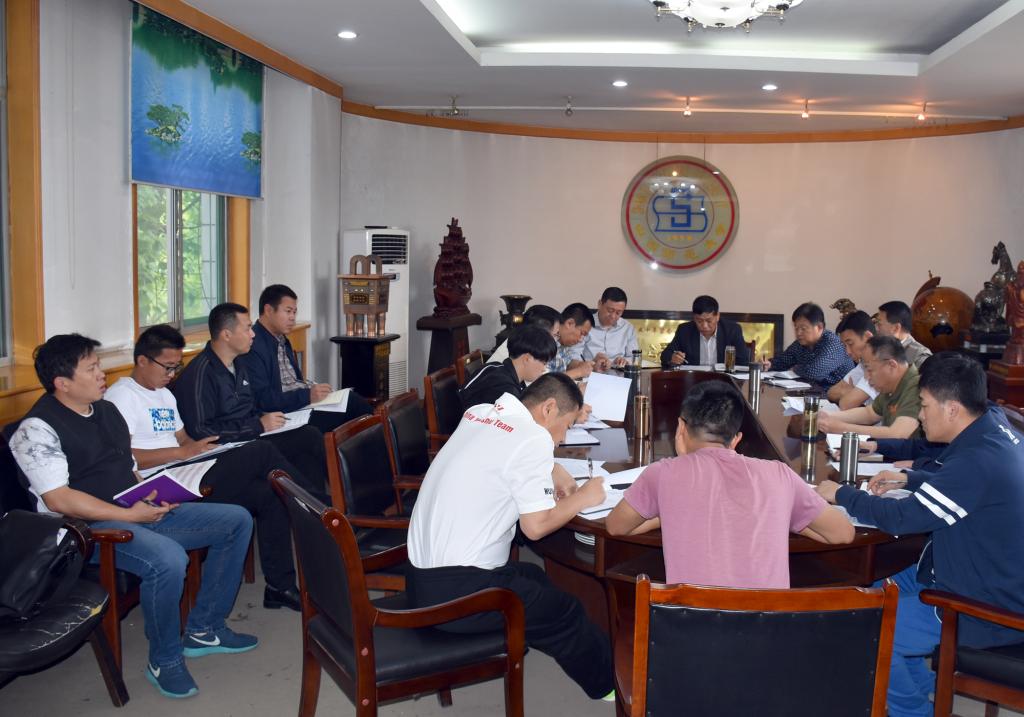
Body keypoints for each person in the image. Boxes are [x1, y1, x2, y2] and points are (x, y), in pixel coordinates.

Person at [9, 334, 256, 699]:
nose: (102, 374)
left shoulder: (106, 411)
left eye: (99, 365)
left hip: (133, 509)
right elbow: (59, 499)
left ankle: (205, 629)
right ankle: (164, 660)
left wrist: (155, 497)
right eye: (91, 368)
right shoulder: (36, 430)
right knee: (168, 559)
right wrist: (130, 516)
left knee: (236, 521)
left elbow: (128, 469)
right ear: (62, 383)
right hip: (87, 532)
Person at [816, 352, 1024, 717]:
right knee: (872, 593)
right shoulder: (992, 425)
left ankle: (912, 711)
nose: (921, 416)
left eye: (925, 405)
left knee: (871, 627)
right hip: (966, 571)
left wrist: (842, 494)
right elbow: (964, 488)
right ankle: (923, 690)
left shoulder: (976, 460)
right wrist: (912, 478)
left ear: (952, 409)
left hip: (984, 605)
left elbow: (900, 519)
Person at [407, 373, 614, 701]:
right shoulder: (533, 439)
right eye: (567, 425)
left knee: (534, 577)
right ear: (548, 408)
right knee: (566, 610)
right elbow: (536, 527)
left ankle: (572, 643)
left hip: (421, 579)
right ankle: (613, 686)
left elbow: (500, 456)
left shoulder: (481, 413)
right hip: (457, 596)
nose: (561, 438)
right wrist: (584, 497)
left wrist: (552, 467)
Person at [105, 324, 308, 611]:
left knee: (268, 492)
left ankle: (280, 587)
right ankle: (319, 508)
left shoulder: (163, 393)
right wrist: (182, 452)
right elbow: (124, 457)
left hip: (186, 471)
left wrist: (201, 448)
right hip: (156, 487)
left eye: (176, 367)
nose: (172, 375)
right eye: (167, 367)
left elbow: (182, 438)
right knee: (260, 451)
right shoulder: (122, 396)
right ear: (142, 361)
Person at [605, 380, 853, 587]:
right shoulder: (780, 475)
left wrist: (667, 511)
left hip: (689, 626)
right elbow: (843, 533)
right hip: (768, 627)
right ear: (736, 439)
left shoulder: (662, 474)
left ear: (680, 427)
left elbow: (616, 526)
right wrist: (785, 515)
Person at [172, 303, 329, 500]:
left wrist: (266, 419)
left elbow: (249, 406)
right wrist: (258, 425)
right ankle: (322, 506)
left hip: (250, 436)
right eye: (247, 328)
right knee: (265, 451)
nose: (253, 334)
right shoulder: (201, 373)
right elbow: (203, 431)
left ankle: (324, 507)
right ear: (227, 334)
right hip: (224, 450)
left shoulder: (239, 362)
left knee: (308, 436)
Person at [238, 284, 373, 432]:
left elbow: (294, 381)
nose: (292, 318)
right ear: (269, 310)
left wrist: (316, 390)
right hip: (282, 415)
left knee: (350, 400)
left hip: (300, 404)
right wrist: (308, 395)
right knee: (353, 404)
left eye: (294, 312)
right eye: (288, 311)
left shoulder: (281, 339)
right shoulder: (253, 345)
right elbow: (263, 399)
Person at [817, 336, 921, 439]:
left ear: (891, 365)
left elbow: (897, 434)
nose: (867, 377)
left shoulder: (916, 386)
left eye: (870, 370)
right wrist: (827, 416)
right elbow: (870, 413)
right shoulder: (891, 385)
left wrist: (843, 429)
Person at [459, 325, 556, 408]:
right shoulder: (506, 391)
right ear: (527, 359)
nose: (544, 369)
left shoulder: (494, 366)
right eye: (544, 363)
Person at [766, 302, 854, 388]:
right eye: (796, 328)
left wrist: (795, 368)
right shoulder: (800, 344)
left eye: (803, 328)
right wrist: (770, 364)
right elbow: (783, 360)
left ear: (819, 327)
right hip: (814, 392)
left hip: (840, 394)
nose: (798, 333)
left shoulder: (833, 343)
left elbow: (814, 373)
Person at [659, 295, 750, 368]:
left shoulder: (732, 330)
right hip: (694, 381)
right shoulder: (685, 330)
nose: (704, 326)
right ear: (694, 318)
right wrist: (672, 358)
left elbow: (743, 361)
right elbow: (665, 355)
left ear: (717, 316)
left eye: (709, 321)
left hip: (724, 381)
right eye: (699, 321)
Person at [574, 286, 639, 370]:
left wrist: (624, 361)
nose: (613, 316)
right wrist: (592, 363)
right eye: (610, 310)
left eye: (618, 313)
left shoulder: (627, 328)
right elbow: (573, 356)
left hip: (618, 374)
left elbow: (634, 357)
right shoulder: (585, 325)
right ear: (600, 304)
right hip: (589, 373)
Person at [827, 310, 879, 409]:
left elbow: (846, 403)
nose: (848, 352)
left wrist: (850, 395)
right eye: (844, 346)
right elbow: (831, 392)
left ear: (868, 337)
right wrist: (850, 393)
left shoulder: (879, 364)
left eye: (850, 344)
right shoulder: (863, 364)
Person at [490, 303, 561, 365]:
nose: (557, 339)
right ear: (540, 334)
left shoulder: (522, 343)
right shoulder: (521, 354)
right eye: (555, 334)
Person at [875, 300, 933, 369]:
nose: (876, 329)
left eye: (879, 324)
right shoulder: (879, 347)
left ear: (896, 328)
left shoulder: (919, 357)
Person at [548, 303, 594, 380]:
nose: (580, 340)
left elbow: (567, 363)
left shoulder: (564, 344)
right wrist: (579, 372)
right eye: (582, 333)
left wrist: (580, 365)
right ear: (569, 323)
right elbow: (546, 380)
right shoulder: (547, 341)